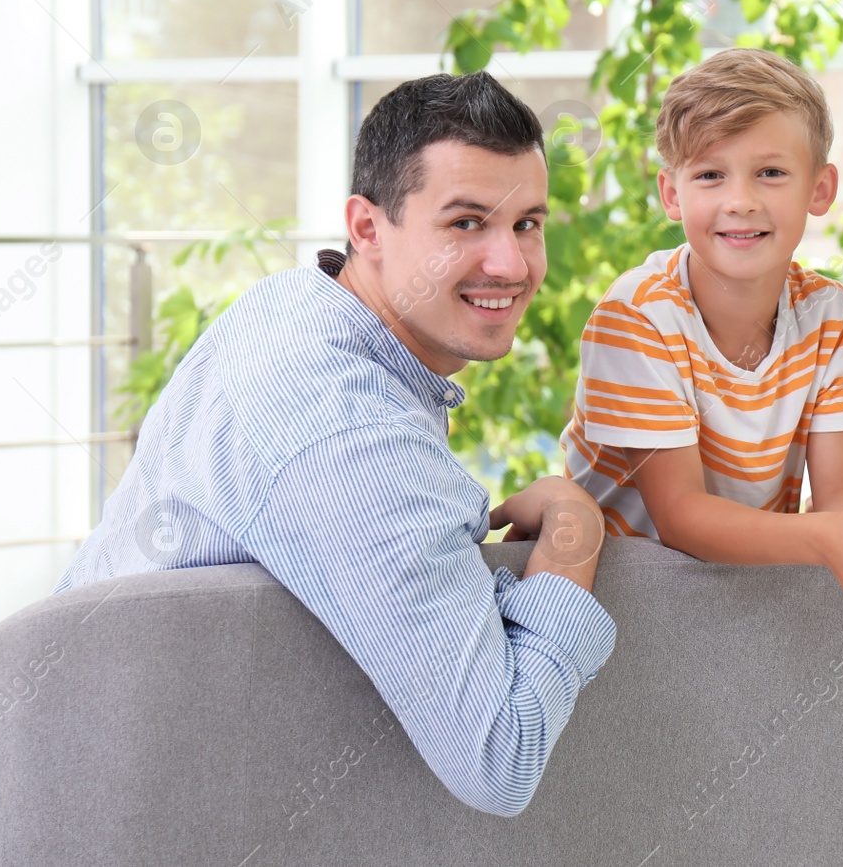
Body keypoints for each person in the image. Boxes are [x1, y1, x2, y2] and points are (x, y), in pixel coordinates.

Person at [56, 73, 616, 817]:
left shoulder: (297, 300)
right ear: (367, 228)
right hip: (118, 808)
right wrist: (575, 539)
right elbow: (498, 759)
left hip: (116, 756)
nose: (511, 265)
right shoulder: (348, 436)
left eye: (527, 223)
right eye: (465, 222)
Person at [560, 48, 843, 610]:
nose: (740, 202)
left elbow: (839, 488)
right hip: (627, 595)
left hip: (746, 587)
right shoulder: (637, 318)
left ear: (820, 189)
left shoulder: (828, 313)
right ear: (672, 194)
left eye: (770, 173)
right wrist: (823, 539)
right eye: (710, 175)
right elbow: (682, 517)